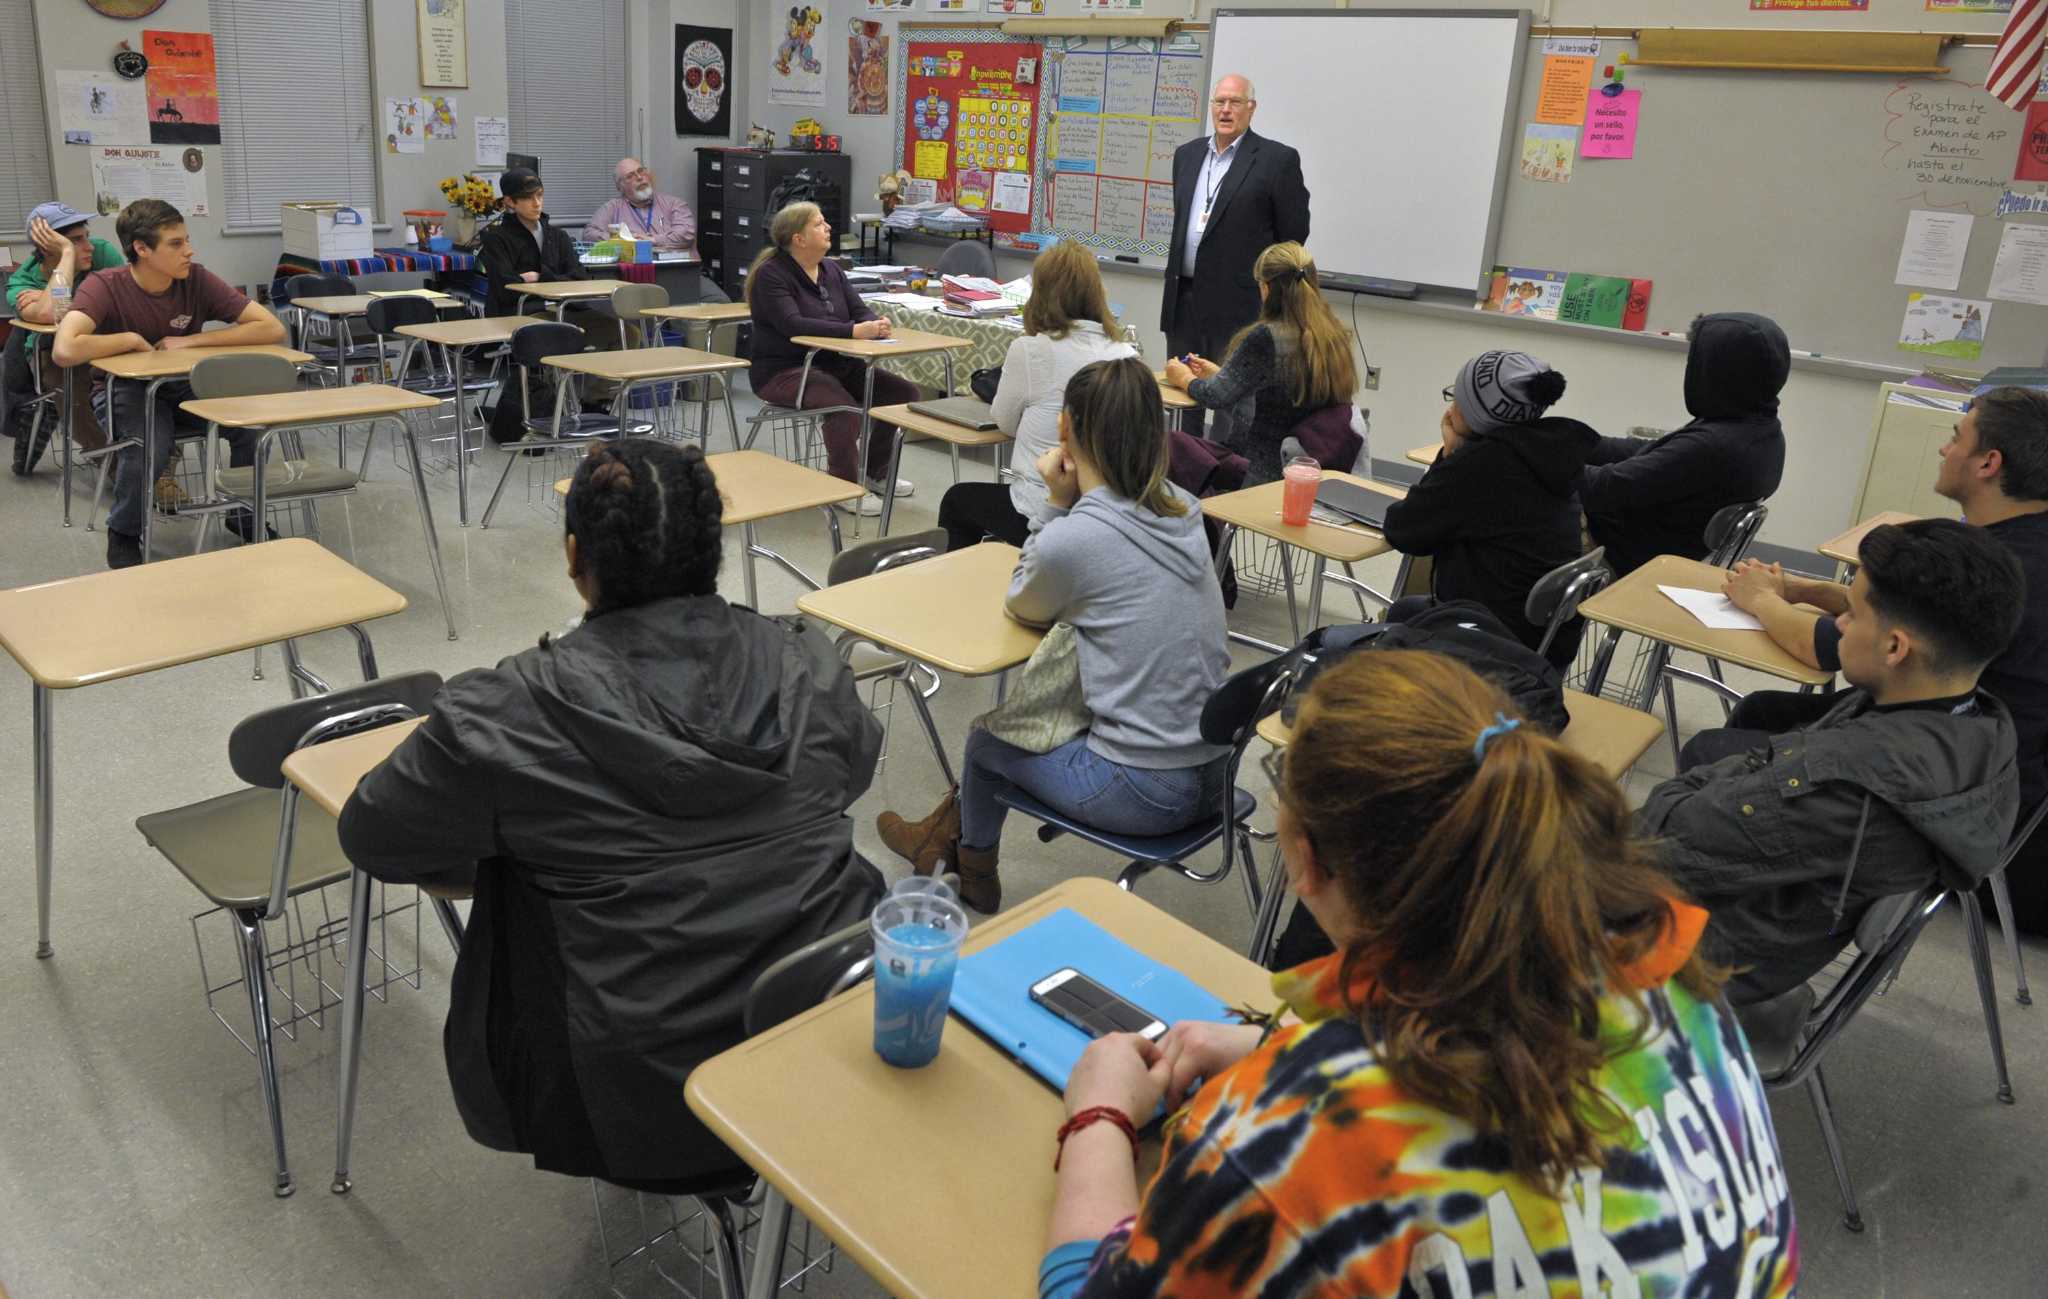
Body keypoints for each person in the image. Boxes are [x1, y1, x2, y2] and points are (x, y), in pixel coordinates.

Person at [1038, 650, 1797, 1298]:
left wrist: (1099, 1113)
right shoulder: (1672, 976)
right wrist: (1274, 1051)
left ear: (1303, 857)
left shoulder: (1292, 1141)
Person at [336, 438, 886, 1193]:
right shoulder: (809, 662)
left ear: (574, 556)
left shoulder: (505, 716)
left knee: (512, 872)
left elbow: (372, 833)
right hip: (831, 1036)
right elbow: (849, 773)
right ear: (710, 553)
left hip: (640, 1095)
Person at [876, 357, 1231, 913]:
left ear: (1067, 430)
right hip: (1217, 777)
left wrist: (1056, 503)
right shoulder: (1182, 507)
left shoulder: (1080, 535)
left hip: (1148, 792)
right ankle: (937, 840)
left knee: (987, 742)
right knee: (1048, 714)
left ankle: (974, 872)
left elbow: (1025, 599)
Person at [1642, 519, 2021, 1006]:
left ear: (1894, 647)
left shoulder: (1843, 784)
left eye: (1854, 613)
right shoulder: (1982, 723)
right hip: (1772, 929)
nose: (1839, 623)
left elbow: (1660, 836)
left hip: (1701, 957)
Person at [1714, 387, 2048, 931]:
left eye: (1955, 438)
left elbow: (1834, 647)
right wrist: (1810, 591)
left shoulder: (2008, 564)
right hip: (1972, 760)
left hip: (1947, 793)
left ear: (1989, 463)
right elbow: (1924, 619)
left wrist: (1763, 602)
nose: (1944, 450)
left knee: (1722, 751)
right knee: (1765, 713)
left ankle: (1737, 898)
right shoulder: (2018, 546)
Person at [51, 198, 288, 569]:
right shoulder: (104, 286)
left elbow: (270, 328)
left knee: (251, 426)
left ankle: (242, 513)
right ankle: (125, 532)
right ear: (142, 249)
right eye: (176, 244)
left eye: (187, 240)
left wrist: (194, 340)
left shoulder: (196, 279)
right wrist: (128, 339)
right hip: (125, 393)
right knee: (149, 446)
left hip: (182, 385)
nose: (189, 251)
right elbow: (65, 350)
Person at [1381, 349, 1598, 664]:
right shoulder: (1546, 450)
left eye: (1456, 397)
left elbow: (1402, 530)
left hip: (1488, 639)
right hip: (1538, 638)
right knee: (1405, 610)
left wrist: (1450, 455)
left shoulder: (1483, 468)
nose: (1451, 405)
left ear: (1475, 414)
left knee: (1361, 643)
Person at [936, 241, 1135, 551]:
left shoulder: (1031, 350)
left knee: (957, 501)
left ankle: (962, 591)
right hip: (1108, 514)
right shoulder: (1126, 354)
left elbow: (1004, 423)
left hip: (1044, 508)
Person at [1578, 312, 1790, 576]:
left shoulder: (1713, 446)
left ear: (1719, 372)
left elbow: (1604, 489)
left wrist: (1535, 455)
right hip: (1660, 548)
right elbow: (1651, 457)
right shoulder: (1758, 429)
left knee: (1521, 491)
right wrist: (1576, 440)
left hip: (1619, 556)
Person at [745, 201, 917, 516]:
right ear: (798, 238)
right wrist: (854, 331)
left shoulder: (831, 269)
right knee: (844, 409)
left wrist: (875, 323)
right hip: (783, 371)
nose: (828, 229)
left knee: (903, 394)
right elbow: (792, 324)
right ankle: (843, 486)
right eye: (819, 224)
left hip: (834, 365)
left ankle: (873, 471)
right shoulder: (772, 275)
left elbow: (857, 308)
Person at [1161, 242, 1356, 485]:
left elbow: (1215, 397)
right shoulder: (1332, 334)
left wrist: (1182, 377)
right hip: (1307, 464)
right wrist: (1221, 374)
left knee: (1174, 446)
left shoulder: (1266, 337)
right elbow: (1282, 396)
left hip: (1258, 469)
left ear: (1265, 288)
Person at [1160, 74, 1310, 370]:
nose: (1225, 109)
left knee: (1233, 405)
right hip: (1183, 303)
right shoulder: (1186, 156)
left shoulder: (1276, 161)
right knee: (1182, 396)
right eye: (1220, 102)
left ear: (1251, 108)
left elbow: (1293, 236)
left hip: (1240, 308)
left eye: (1235, 102)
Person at [4, 202, 124, 473]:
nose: (89, 246)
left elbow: (130, 299)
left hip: (104, 343)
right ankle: (118, 469)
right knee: (68, 393)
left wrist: (69, 303)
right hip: (53, 353)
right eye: (75, 241)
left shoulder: (102, 252)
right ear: (49, 247)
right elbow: (52, 314)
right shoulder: (21, 281)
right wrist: (68, 256)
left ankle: (155, 461)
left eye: (86, 236)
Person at [581, 157, 731, 305]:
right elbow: (589, 234)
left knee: (721, 302)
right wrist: (623, 241)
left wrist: (652, 240)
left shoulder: (674, 204)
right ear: (620, 187)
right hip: (632, 279)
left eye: (641, 171)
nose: (639, 177)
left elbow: (686, 234)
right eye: (630, 176)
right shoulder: (612, 208)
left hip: (680, 274)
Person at [478, 167, 587, 318]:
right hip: (519, 316)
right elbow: (506, 292)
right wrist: (554, 285)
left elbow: (579, 280)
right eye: (528, 198)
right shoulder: (496, 239)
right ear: (510, 201)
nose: (537, 203)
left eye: (540, 195)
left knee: (614, 329)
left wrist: (538, 277)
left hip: (563, 310)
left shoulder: (558, 236)